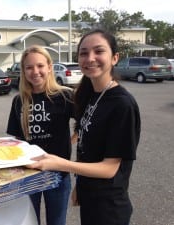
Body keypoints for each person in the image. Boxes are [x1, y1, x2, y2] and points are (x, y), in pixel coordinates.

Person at [27, 29, 141, 225]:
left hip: (109, 207)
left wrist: (58, 163)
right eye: (83, 53)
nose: (90, 58)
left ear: (114, 58)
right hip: (89, 199)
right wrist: (80, 185)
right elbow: (87, 149)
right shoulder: (89, 95)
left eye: (98, 51)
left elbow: (109, 169)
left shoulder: (122, 104)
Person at [6, 45, 76, 225]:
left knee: (57, 222)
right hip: (27, 175)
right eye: (29, 67)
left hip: (58, 174)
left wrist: (73, 138)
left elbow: (85, 123)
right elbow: (15, 140)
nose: (35, 71)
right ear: (23, 71)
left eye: (40, 66)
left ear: (49, 67)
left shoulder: (65, 95)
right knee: (29, 221)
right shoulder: (19, 100)